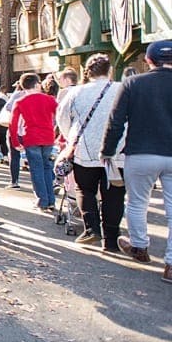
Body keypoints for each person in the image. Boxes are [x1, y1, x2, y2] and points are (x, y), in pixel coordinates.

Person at [101, 40, 172, 282]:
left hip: (141, 152)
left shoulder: (133, 83)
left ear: (149, 60)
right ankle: (171, 265)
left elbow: (116, 121)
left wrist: (108, 150)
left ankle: (140, 247)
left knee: (137, 202)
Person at [57, 54, 125, 251]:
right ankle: (111, 238)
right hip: (117, 152)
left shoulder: (76, 92)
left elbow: (62, 118)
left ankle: (91, 229)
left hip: (84, 150)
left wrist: (71, 137)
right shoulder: (121, 89)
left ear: (87, 72)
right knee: (114, 195)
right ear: (109, 70)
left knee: (85, 189)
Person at [9, 72, 58, 212]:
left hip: (31, 137)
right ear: (37, 84)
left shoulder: (20, 102)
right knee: (47, 167)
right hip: (48, 136)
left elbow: (13, 123)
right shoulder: (49, 100)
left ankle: (42, 200)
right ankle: (51, 200)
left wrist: (15, 142)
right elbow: (60, 115)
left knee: (36, 169)